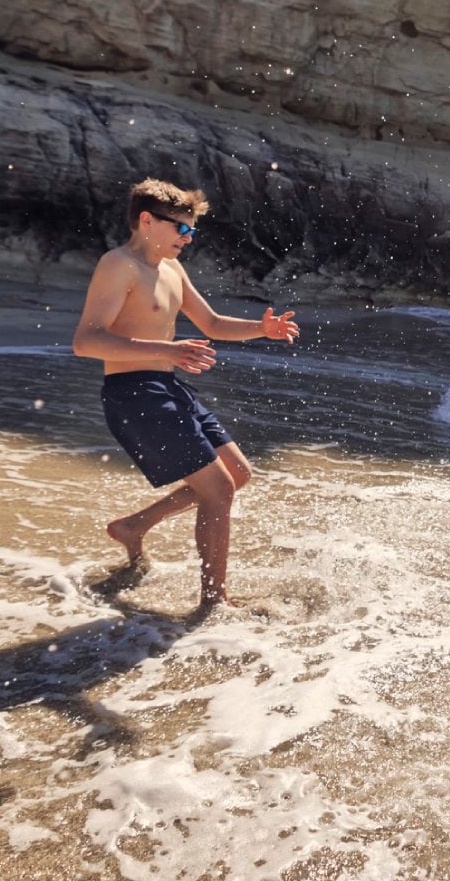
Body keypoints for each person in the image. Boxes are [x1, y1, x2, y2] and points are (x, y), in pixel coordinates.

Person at [72, 178, 301, 608]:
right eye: (181, 228)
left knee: (237, 475)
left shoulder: (172, 269)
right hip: (134, 391)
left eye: (192, 231)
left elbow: (212, 324)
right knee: (218, 489)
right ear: (146, 220)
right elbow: (86, 341)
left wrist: (261, 329)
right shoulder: (118, 264)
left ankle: (134, 526)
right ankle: (215, 602)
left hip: (169, 385)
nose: (188, 238)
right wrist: (167, 350)